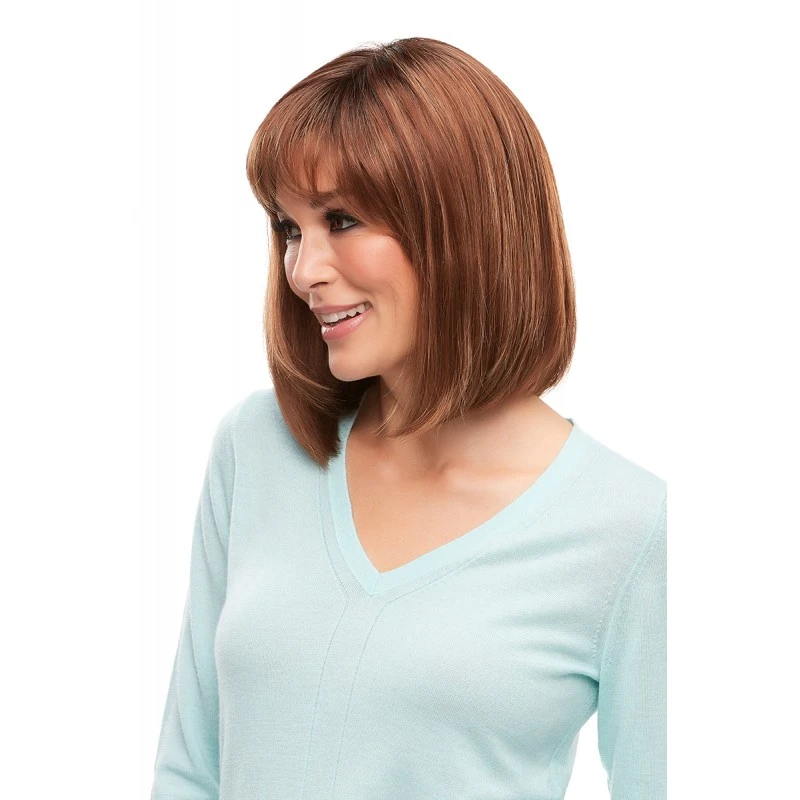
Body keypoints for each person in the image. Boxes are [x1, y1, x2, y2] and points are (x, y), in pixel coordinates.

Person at [149, 37, 666, 800]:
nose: (302, 271)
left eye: (341, 219)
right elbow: (189, 771)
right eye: (290, 228)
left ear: (466, 226)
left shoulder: (628, 525)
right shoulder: (256, 448)